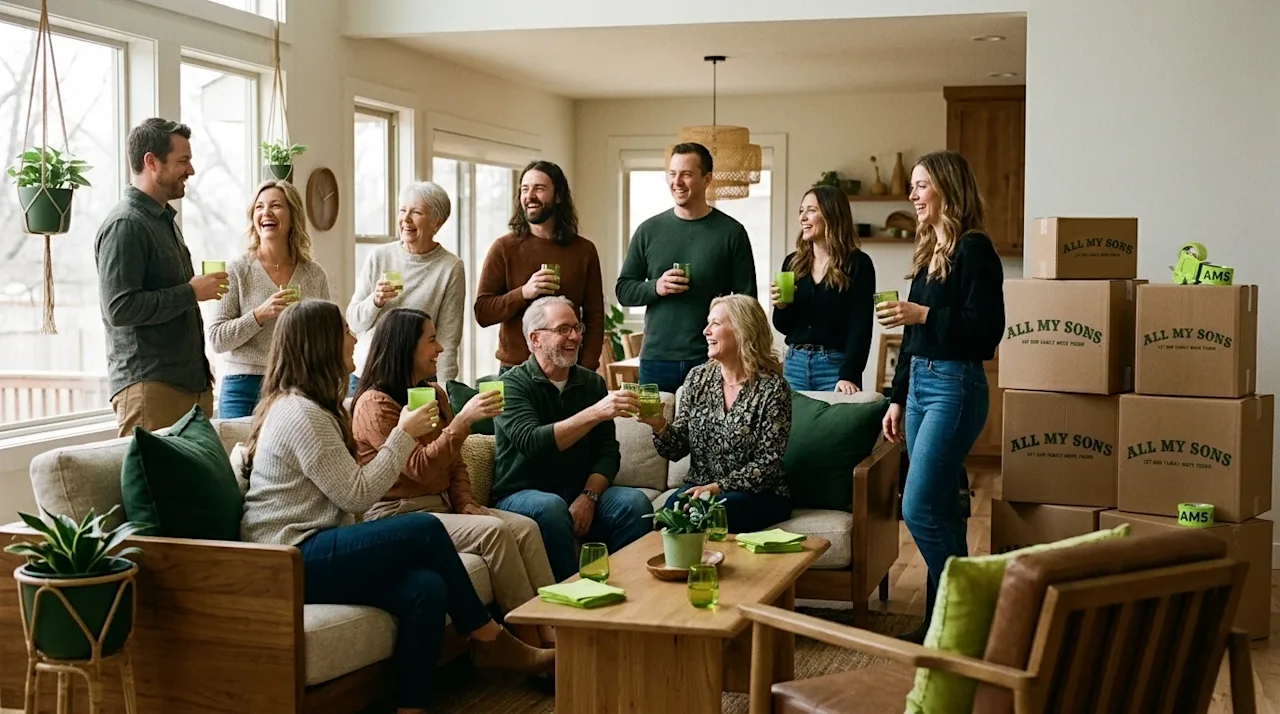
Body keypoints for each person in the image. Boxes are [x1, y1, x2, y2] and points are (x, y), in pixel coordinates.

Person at [239, 299, 553, 714]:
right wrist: (403, 434)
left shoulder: (316, 407)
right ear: (321, 345)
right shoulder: (301, 413)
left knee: (426, 588)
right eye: (345, 330)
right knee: (424, 529)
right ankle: (491, 640)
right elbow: (357, 495)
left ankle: (412, 706)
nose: (354, 337)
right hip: (291, 556)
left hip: (319, 544)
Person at [351, 307, 557, 648]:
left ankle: (553, 626)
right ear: (406, 347)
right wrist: (461, 423)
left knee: (525, 527)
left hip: (443, 506)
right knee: (494, 532)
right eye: (432, 340)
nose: (441, 349)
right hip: (400, 514)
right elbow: (418, 467)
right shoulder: (375, 405)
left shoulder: (435, 393)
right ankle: (527, 644)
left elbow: (454, 463)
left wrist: (465, 502)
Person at [878, 150, 1005, 643]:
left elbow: (986, 333)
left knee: (918, 506)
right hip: (922, 388)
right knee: (945, 510)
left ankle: (970, 609)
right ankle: (944, 627)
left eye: (922, 185)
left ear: (949, 190)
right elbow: (911, 343)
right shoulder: (930, 254)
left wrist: (924, 315)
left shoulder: (975, 251)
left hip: (956, 385)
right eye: (911, 185)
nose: (913, 195)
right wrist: (895, 397)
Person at [490, 296, 654, 582]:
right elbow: (533, 443)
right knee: (551, 507)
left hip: (580, 491)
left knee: (634, 503)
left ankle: (629, 596)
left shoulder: (591, 383)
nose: (576, 337)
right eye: (564, 329)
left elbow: (608, 453)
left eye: (577, 328)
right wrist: (595, 413)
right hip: (521, 494)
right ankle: (568, 603)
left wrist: (589, 497)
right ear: (535, 338)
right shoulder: (510, 385)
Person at [95, 117, 224, 437]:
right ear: (151, 162)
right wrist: (190, 293)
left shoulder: (164, 221)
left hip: (187, 386)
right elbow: (119, 308)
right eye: (183, 161)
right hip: (151, 389)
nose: (191, 170)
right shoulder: (125, 224)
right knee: (155, 486)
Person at [639, 295, 792, 533]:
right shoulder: (697, 378)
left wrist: (718, 487)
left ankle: (709, 569)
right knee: (668, 514)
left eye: (716, 324)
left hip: (759, 494)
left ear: (743, 330)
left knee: (707, 513)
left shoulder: (773, 388)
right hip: (701, 489)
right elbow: (677, 449)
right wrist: (659, 425)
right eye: (708, 323)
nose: (705, 331)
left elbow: (768, 465)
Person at [615, 142, 757, 393]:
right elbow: (624, 290)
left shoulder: (731, 233)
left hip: (713, 357)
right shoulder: (648, 231)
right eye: (672, 174)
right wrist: (656, 287)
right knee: (652, 431)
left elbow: (747, 300)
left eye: (686, 174)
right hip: (656, 358)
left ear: (707, 179)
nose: (677, 182)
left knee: (710, 432)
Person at [207, 180, 331, 418]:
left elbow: (326, 339)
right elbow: (217, 339)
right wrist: (260, 314)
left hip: (297, 386)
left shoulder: (313, 275)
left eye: (276, 206)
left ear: (293, 215)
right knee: (238, 456)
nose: (266, 212)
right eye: (259, 207)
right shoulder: (238, 270)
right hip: (243, 387)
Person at [475, 160, 605, 373]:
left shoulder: (584, 250)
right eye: (525, 189)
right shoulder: (503, 248)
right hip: (515, 370)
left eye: (539, 188)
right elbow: (482, 312)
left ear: (559, 196)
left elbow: (595, 317)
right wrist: (523, 293)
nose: (530, 196)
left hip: (569, 370)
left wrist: (587, 369)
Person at [347, 181, 464, 393]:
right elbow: (354, 322)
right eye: (402, 210)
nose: (405, 219)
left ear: (437, 222)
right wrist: (375, 301)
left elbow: (448, 338)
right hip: (368, 374)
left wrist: (447, 391)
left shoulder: (450, 267)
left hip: (416, 381)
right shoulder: (379, 256)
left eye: (416, 212)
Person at [770, 185, 876, 393]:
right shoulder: (792, 263)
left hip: (835, 368)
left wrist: (850, 374)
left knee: (836, 426)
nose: (803, 217)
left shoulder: (857, 264)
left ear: (832, 213)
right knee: (794, 426)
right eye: (801, 211)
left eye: (811, 210)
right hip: (794, 364)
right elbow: (783, 326)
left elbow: (861, 328)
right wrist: (781, 306)